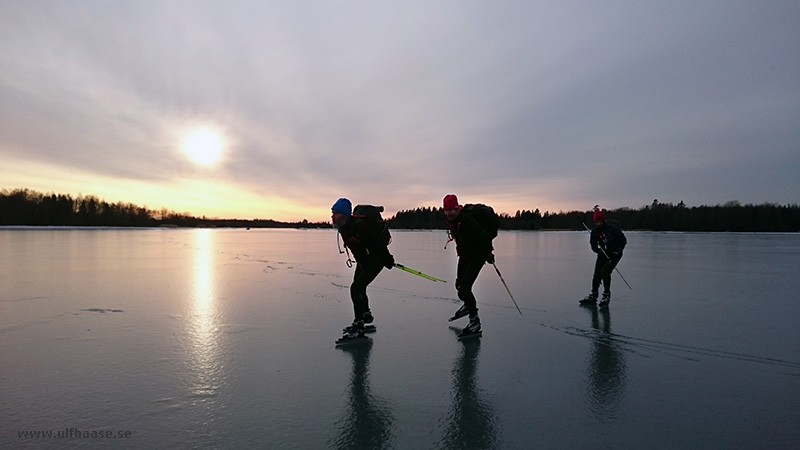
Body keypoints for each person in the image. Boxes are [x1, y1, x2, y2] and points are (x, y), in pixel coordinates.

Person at [331, 198, 394, 341]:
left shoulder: (360, 225)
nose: (332, 216)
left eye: (336, 213)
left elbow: (377, 243)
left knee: (356, 288)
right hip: (364, 261)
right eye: (332, 212)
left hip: (376, 260)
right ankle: (366, 315)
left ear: (345, 214)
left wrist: (388, 259)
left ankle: (359, 324)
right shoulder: (343, 227)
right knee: (359, 287)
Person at [443, 194, 496, 337]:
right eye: (446, 210)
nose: (449, 213)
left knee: (465, 289)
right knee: (459, 286)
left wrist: (489, 253)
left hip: (477, 256)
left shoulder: (467, 220)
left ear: (457, 208)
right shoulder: (450, 220)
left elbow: (484, 237)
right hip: (465, 255)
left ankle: (475, 323)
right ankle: (468, 305)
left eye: (451, 210)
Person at [580, 208, 627, 307]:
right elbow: (593, 244)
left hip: (615, 255)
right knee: (597, 274)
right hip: (603, 253)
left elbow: (623, 241)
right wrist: (598, 250)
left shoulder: (612, 229)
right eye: (596, 222)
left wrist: (617, 251)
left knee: (605, 272)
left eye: (600, 221)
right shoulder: (594, 232)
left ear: (603, 221)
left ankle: (606, 295)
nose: (598, 224)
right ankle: (594, 294)